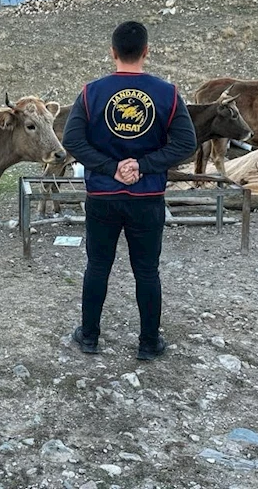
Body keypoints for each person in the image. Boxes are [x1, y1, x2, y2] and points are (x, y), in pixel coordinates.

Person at [63, 21, 196, 360]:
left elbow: (72, 140)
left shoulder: (91, 93)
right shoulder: (168, 93)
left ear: (113, 52)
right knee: (147, 271)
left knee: (97, 266)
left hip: (103, 198)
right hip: (147, 199)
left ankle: (89, 337)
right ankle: (149, 344)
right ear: (146, 51)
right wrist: (144, 166)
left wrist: (110, 168)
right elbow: (186, 142)